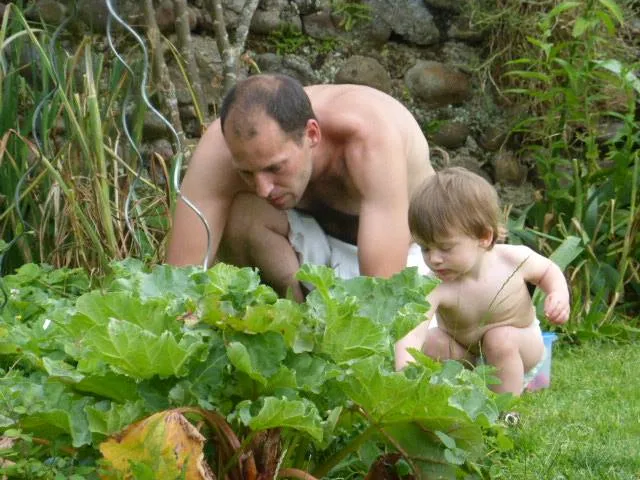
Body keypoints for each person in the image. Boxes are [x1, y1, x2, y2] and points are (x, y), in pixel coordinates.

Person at [166, 74, 435, 301]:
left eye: (275, 168)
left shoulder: (369, 138)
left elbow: (383, 293)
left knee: (414, 339)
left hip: (407, 258)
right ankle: (290, 327)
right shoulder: (221, 146)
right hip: (314, 252)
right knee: (243, 215)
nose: (262, 189)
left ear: (312, 134)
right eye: (246, 173)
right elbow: (178, 280)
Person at [394, 167, 570, 395]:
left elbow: (548, 271)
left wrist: (558, 294)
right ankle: (459, 394)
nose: (434, 259)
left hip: (519, 351)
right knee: (432, 340)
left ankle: (505, 411)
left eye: (446, 248)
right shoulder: (434, 285)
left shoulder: (513, 260)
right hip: (467, 356)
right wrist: (402, 372)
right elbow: (412, 331)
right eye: (425, 248)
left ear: (484, 237)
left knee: (499, 339)